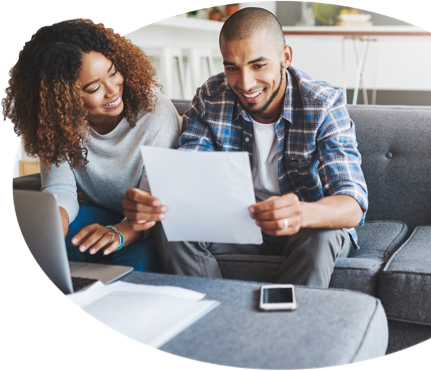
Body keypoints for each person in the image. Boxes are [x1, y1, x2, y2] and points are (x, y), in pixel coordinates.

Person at [122, 7, 368, 287]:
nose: (245, 83)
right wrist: (155, 201)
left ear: (285, 57)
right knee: (170, 224)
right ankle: (211, 317)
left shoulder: (322, 104)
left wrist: (301, 213)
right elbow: (190, 171)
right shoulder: (211, 97)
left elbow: (353, 203)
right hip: (239, 225)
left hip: (305, 226)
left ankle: (287, 328)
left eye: (258, 65)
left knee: (325, 234)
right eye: (232, 68)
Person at [3, 19, 181, 272]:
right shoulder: (56, 123)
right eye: (93, 87)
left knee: (136, 268)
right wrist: (56, 220)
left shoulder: (155, 115)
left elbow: (153, 204)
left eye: (113, 73)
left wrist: (118, 233)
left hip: (148, 224)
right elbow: (60, 187)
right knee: (49, 250)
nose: (112, 91)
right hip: (99, 211)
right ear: (62, 97)